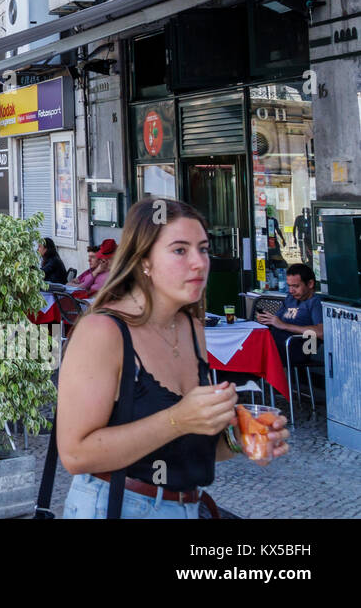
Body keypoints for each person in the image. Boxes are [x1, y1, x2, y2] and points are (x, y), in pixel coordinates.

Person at [57, 199, 288, 519]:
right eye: (180, 250)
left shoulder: (192, 328)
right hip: (116, 507)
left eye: (203, 249)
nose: (199, 262)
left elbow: (191, 445)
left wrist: (239, 438)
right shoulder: (103, 332)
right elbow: (75, 454)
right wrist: (177, 418)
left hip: (186, 507)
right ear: (143, 262)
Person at [257, 263, 324, 368]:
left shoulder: (315, 302)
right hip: (280, 343)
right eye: (289, 286)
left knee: (256, 350)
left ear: (310, 284)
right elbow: (278, 322)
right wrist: (267, 319)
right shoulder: (290, 298)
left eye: (296, 286)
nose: (291, 290)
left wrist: (284, 325)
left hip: (300, 347)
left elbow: (321, 332)